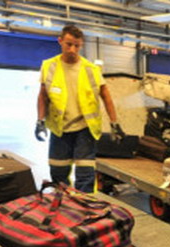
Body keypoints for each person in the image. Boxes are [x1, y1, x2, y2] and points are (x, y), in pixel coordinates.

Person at [36, 24, 125, 193]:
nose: (72, 49)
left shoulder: (91, 69)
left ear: (81, 45)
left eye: (77, 45)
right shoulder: (49, 66)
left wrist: (115, 123)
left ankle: (84, 208)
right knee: (58, 171)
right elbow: (42, 96)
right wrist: (39, 120)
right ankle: (63, 204)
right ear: (60, 41)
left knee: (85, 174)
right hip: (59, 128)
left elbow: (106, 95)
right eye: (69, 44)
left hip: (85, 128)